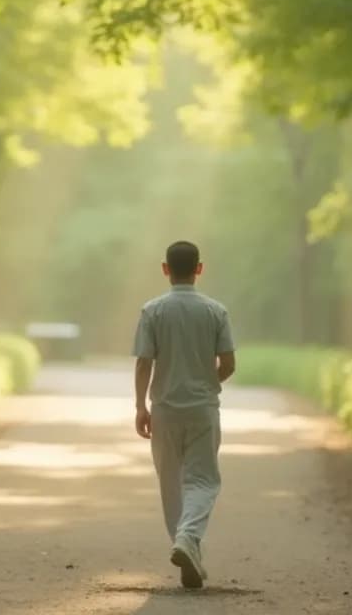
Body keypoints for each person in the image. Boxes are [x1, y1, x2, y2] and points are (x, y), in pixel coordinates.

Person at [132, 240, 237, 589]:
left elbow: (144, 361)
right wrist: (208, 382)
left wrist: (140, 406)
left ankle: (185, 543)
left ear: (165, 269)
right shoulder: (215, 311)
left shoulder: (152, 310)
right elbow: (229, 364)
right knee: (204, 480)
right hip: (203, 409)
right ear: (199, 268)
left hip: (164, 409)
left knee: (170, 483)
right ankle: (189, 540)